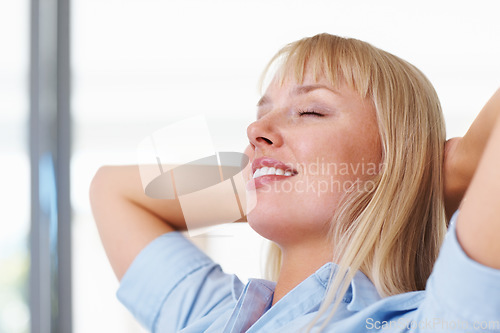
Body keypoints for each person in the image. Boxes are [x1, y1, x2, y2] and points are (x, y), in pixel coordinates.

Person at [90, 33, 500, 332]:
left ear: (393, 160)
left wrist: (432, 173)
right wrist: (264, 176)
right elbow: (113, 191)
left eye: (309, 111)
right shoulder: (212, 317)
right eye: (262, 113)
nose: (256, 129)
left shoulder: (432, 323)